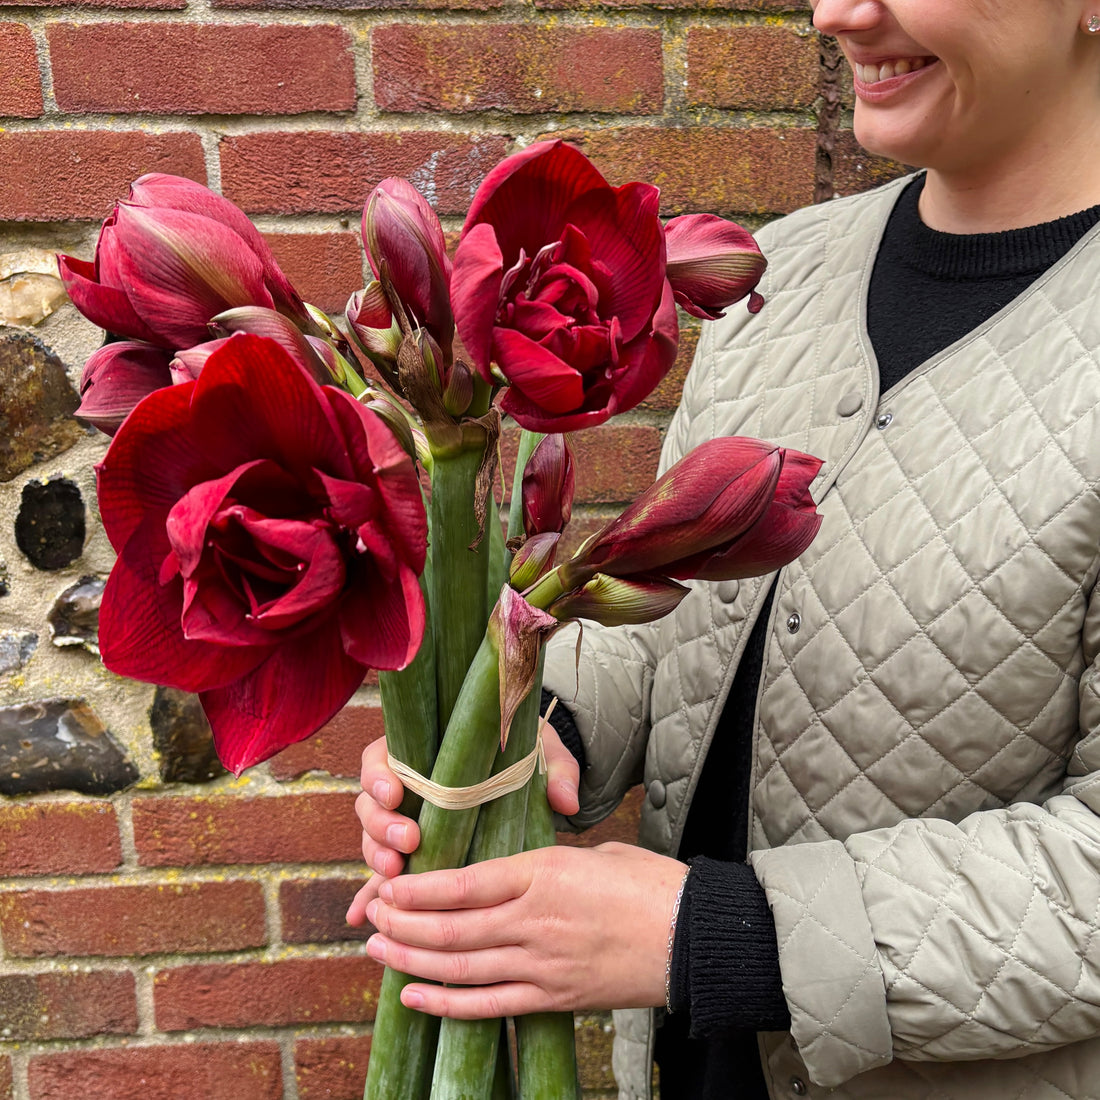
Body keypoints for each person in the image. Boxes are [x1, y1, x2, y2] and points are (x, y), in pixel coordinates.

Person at [347, 2, 1100, 1096]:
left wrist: (709, 933)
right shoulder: (776, 273)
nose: (837, 11)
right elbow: (677, 625)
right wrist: (523, 727)